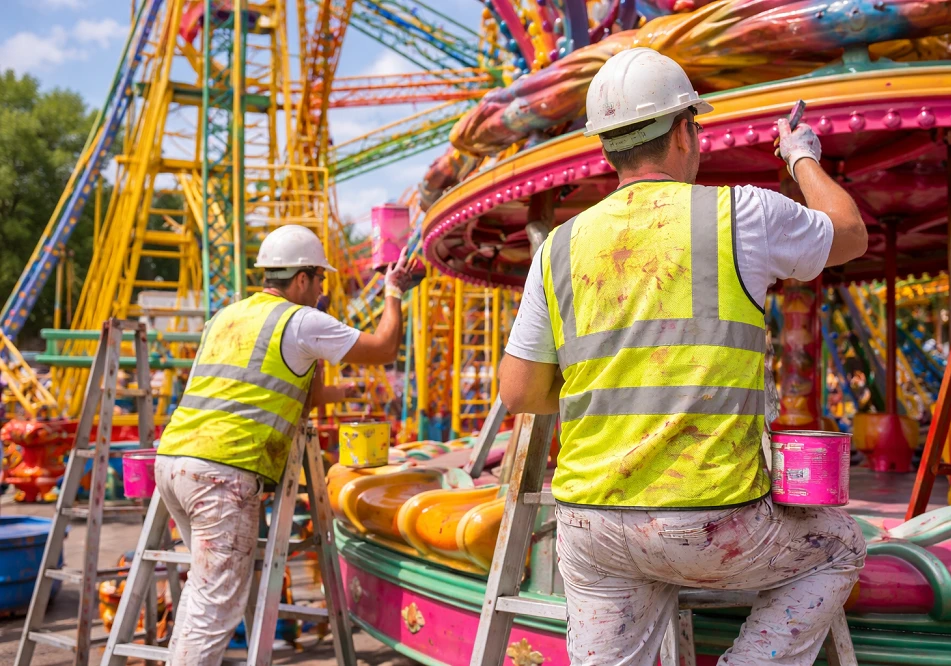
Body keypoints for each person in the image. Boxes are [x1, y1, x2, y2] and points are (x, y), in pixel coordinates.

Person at [498, 48, 869, 666]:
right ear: (683, 132)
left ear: (606, 146)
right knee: (839, 548)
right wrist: (800, 153)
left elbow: (518, 392)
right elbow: (848, 232)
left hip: (593, 523)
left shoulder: (559, 248)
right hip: (713, 518)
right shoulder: (740, 213)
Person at [154, 224, 419, 665]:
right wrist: (393, 291)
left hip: (176, 462)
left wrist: (334, 383)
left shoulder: (226, 316)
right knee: (216, 608)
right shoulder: (301, 321)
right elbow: (385, 347)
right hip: (226, 471)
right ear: (302, 279)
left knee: (203, 594)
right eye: (320, 281)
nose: (321, 291)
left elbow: (304, 394)